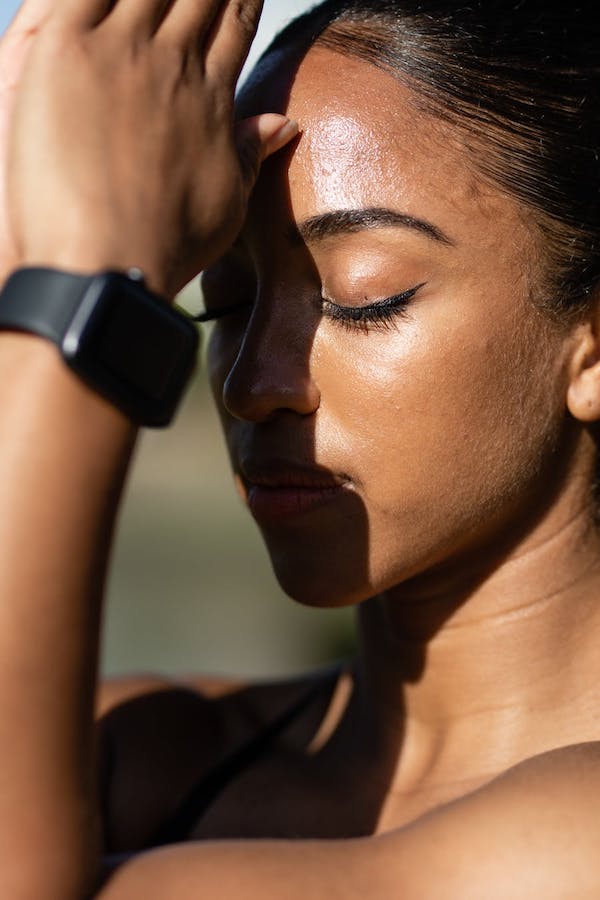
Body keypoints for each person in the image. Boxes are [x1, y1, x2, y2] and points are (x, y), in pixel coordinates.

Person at [0, 0, 598, 896]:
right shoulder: (138, 748)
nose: (251, 383)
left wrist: (79, 290)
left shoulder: (573, 839)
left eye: (364, 295)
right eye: (222, 301)